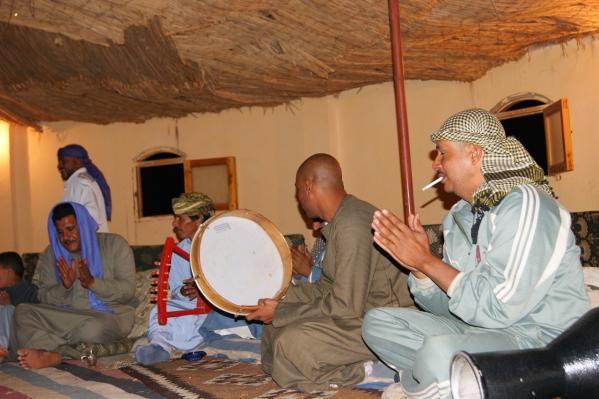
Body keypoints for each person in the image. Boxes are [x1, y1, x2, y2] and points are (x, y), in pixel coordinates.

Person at [362, 108, 591, 399]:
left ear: (474, 154)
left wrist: (427, 260)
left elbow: (498, 307)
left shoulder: (527, 205)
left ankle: (431, 381)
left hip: (545, 344)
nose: (436, 164)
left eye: (442, 153)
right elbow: (454, 308)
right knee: (379, 323)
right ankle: (450, 381)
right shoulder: (460, 218)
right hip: (491, 333)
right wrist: (421, 271)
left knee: (439, 352)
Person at [247, 153, 412, 392]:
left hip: (386, 323)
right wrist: (282, 298)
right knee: (276, 326)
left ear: (308, 186)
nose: (298, 198)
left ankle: (360, 370)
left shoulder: (352, 225)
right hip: (358, 312)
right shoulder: (339, 221)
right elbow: (326, 287)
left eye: (297, 191)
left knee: (291, 342)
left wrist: (281, 311)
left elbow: (345, 307)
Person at [10, 202, 136, 369]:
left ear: (83, 226)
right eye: (60, 232)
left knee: (92, 330)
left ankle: (53, 352)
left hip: (108, 316)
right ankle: (54, 351)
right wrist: (64, 287)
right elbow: (43, 296)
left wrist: (93, 283)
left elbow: (128, 290)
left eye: (70, 229)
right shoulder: (51, 254)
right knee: (22, 312)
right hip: (67, 316)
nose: (66, 237)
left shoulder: (115, 245)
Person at [135, 192, 220, 364]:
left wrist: (205, 290)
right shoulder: (179, 251)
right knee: (160, 310)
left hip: (218, 307)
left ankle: (197, 343)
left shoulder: (221, 245)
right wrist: (184, 291)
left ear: (198, 219)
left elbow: (235, 283)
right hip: (192, 308)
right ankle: (159, 347)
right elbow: (176, 290)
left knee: (208, 319)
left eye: (180, 218)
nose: (174, 224)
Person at [58, 144, 111, 232]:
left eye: (63, 161)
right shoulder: (77, 181)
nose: (59, 166)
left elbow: (89, 220)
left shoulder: (80, 183)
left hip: (87, 243)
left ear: (77, 162)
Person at [0, 252, 39, 362]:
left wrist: (10, 304)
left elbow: (35, 316)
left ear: (10, 272)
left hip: (18, 337)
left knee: (6, 309)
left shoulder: (31, 291)